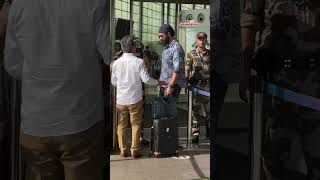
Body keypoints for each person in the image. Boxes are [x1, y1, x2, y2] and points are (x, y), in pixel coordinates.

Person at [3, 0, 110, 179]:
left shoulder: (19, 5)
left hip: (35, 125)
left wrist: (41, 75)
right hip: (81, 123)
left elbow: (12, 64)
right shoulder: (95, 3)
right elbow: (109, 54)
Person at [241, 0, 320, 179]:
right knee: (276, 158)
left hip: (316, 80)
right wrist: (245, 73)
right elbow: (249, 22)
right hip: (277, 80)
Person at [111, 35, 159, 159]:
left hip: (121, 99)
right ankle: (134, 150)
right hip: (135, 99)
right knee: (135, 125)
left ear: (122, 47)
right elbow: (146, 79)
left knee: (121, 125)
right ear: (133, 47)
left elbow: (114, 82)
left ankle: (123, 150)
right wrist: (158, 82)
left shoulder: (116, 63)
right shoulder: (139, 62)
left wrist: (123, 85)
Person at [185, 32, 210, 144]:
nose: (201, 41)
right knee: (196, 112)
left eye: (203, 39)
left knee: (209, 111)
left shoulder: (210, 53)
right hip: (196, 86)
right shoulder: (191, 54)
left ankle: (209, 132)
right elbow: (187, 69)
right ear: (196, 40)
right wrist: (186, 83)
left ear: (206, 40)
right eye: (199, 39)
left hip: (208, 86)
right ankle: (195, 134)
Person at [158, 24, 185, 118]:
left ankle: (169, 132)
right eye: (159, 36)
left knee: (169, 115)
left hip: (171, 87)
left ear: (168, 34)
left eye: (162, 36)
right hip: (164, 86)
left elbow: (177, 70)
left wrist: (170, 86)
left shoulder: (176, 48)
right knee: (163, 114)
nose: (160, 38)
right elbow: (165, 67)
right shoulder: (166, 47)